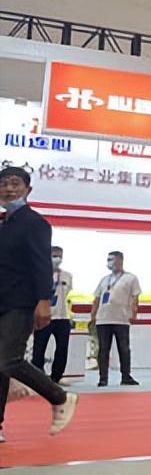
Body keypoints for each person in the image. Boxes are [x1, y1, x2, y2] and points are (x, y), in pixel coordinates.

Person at [0, 166, 79, 439]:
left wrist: (43, 300)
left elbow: (41, 264)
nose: (9, 189)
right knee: (1, 364)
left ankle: (60, 397)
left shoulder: (34, 223)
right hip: (3, 299)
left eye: (15, 183)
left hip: (21, 302)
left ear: (28, 189)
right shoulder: (4, 224)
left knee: (8, 359)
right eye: (4, 184)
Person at [90, 250, 140, 387]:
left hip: (121, 319)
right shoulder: (104, 280)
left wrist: (134, 313)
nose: (109, 262)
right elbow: (97, 298)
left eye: (111, 259)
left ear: (120, 260)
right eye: (108, 260)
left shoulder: (131, 278)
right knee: (103, 349)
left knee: (124, 349)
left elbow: (135, 297)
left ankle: (126, 376)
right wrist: (93, 315)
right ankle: (103, 378)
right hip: (103, 319)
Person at [31, 245, 74, 383]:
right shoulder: (40, 273)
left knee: (62, 349)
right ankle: (38, 377)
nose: (57, 259)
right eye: (54, 256)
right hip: (45, 316)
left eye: (59, 256)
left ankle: (56, 377)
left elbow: (67, 293)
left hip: (62, 317)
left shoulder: (67, 275)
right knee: (39, 348)